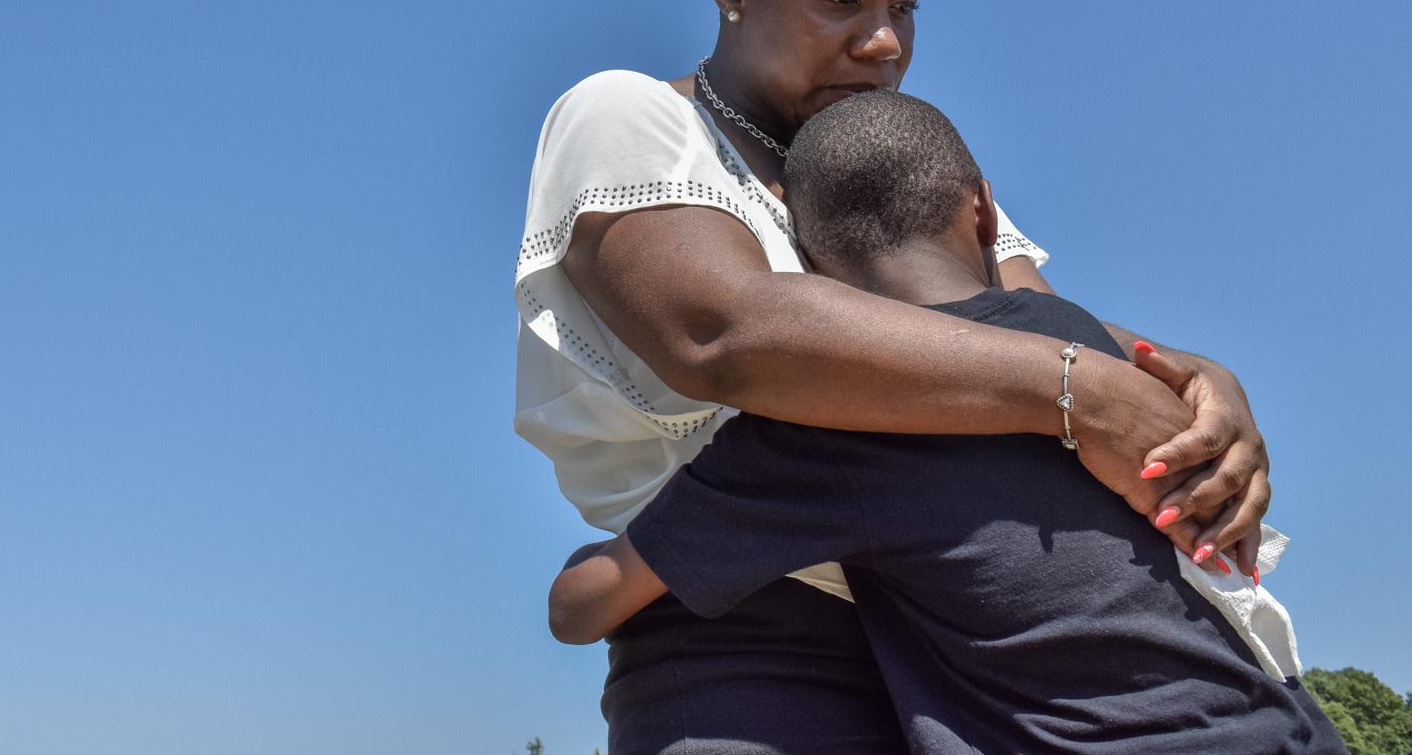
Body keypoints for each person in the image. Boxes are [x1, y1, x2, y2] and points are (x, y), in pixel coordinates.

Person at [513, 0, 1276, 754]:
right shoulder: (631, 120)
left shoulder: (897, 171)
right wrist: (1082, 393)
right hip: (746, 654)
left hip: (972, 649)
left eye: (904, 7)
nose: (883, 45)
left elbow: (1031, 322)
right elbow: (727, 337)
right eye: (840, 0)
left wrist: (1200, 388)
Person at [546, 90, 1338, 753]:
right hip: (1280, 719)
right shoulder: (1100, 352)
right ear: (987, 213)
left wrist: (595, 553)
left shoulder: (827, 425)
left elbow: (579, 607)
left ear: (812, 272)